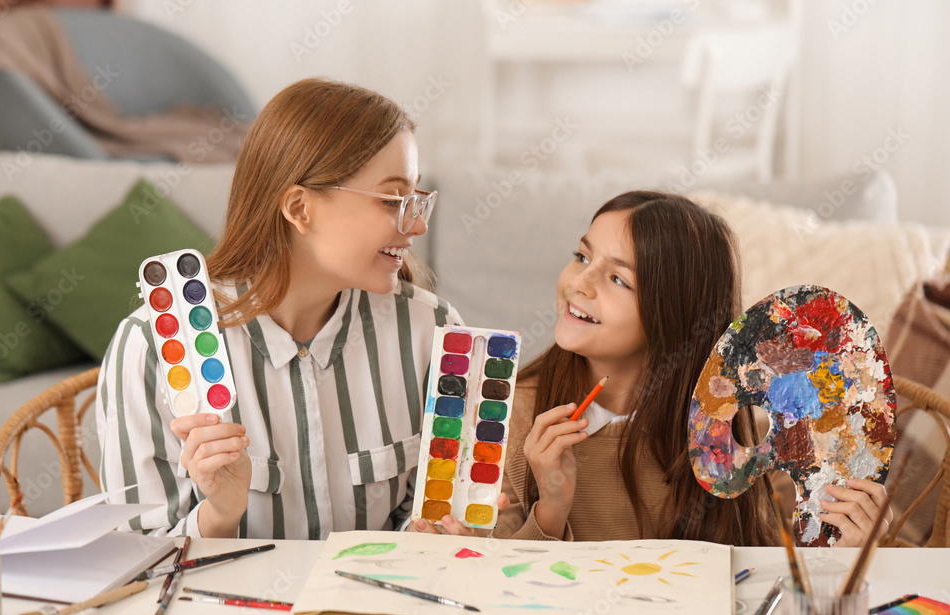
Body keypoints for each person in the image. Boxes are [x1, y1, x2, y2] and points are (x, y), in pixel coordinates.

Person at [97, 78, 461, 539]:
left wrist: (429, 537)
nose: (418, 225)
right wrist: (219, 515)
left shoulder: (435, 332)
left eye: (416, 199)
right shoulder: (151, 346)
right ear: (299, 208)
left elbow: (432, 519)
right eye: (392, 200)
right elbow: (137, 560)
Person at [458, 190, 888, 547]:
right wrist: (550, 508)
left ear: (673, 315)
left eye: (618, 280)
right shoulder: (511, 408)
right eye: (582, 256)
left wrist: (847, 550)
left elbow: (759, 569)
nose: (579, 283)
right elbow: (500, 579)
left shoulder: (725, 432)